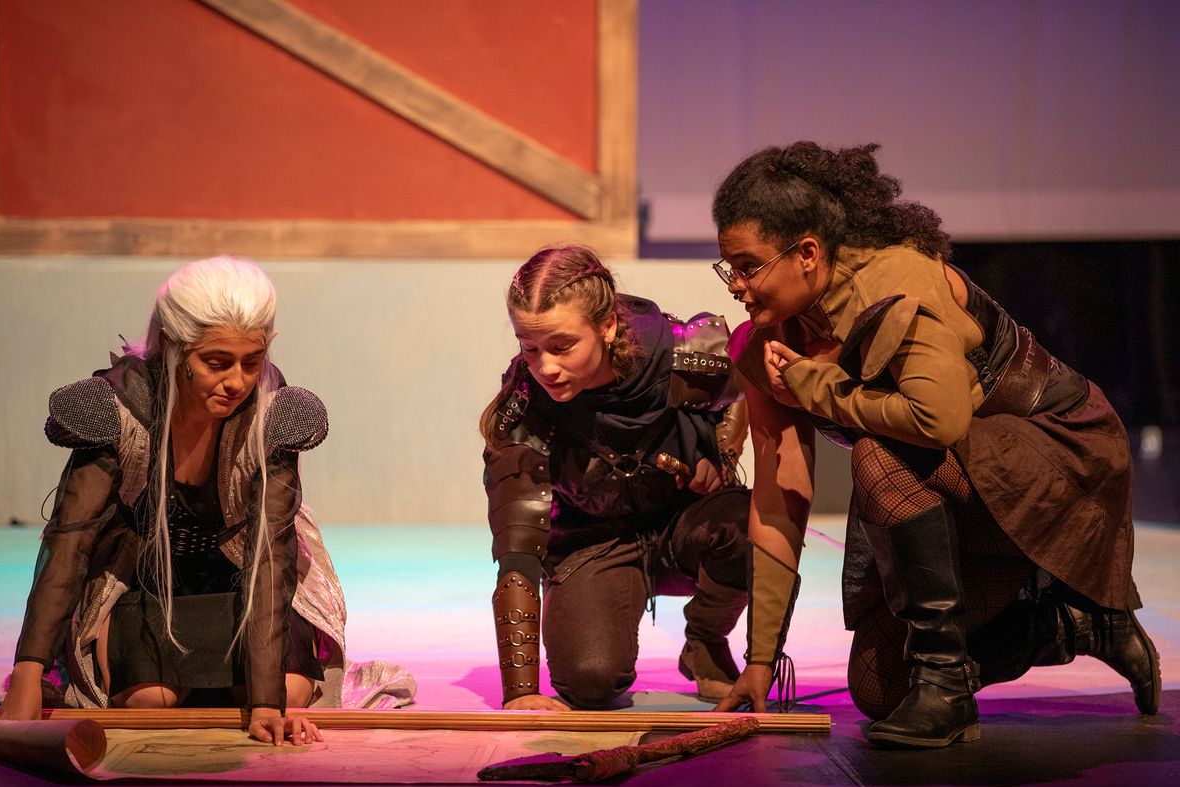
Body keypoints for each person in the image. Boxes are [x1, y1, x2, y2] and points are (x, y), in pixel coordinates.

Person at [709, 143, 1160, 748]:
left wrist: (817, 386)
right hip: (957, 483)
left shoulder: (898, 284)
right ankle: (1080, 628)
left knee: (879, 454)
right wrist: (760, 659)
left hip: (1056, 457)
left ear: (808, 253)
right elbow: (778, 496)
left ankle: (946, 687)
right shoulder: (762, 346)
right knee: (878, 690)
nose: (737, 287)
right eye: (728, 269)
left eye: (747, 267)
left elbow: (936, 421)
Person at [0, 256, 346, 745]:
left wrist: (267, 704)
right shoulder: (119, 407)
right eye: (216, 363)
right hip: (142, 576)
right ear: (173, 346)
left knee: (290, 691)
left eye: (253, 361)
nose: (237, 381)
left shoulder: (273, 412)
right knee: (149, 700)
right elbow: (71, 540)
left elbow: (271, 554)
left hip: (240, 576)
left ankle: (225, 684)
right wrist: (28, 675)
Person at [480, 245, 759, 710]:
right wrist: (521, 692)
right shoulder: (526, 405)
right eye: (530, 347)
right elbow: (516, 552)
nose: (545, 367)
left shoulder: (681, 353)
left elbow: (739, 391)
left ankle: (705, 641)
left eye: (562, 346)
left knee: (750, 526)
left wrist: (721, 457)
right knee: (589, 682)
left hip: (682, 522)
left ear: (607, 326)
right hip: (591, 540)